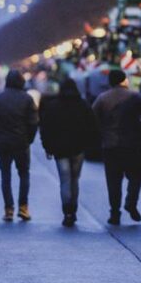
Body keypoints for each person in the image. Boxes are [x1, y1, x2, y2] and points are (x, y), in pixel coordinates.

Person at [92, 69, 141, 225]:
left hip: (110, 146)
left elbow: (92, 119)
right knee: (135, 177)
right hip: (132, 144)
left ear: (110, 82)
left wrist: (102, 134)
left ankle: (115, 213)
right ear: (124, 80)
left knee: (113, 181)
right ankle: (131, 203)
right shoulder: (135, 97)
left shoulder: (102, 99)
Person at [39, 78, 97, 226]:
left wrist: (47, 147)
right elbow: (93, 125)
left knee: (65, 180)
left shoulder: (53, 106)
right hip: (78, 148)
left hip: (60, 150)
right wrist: (88, 143)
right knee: (74, 180)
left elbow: (46, 128)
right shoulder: (83, 105)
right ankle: (74, 210)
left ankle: (67, 212)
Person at [0, 70, 39, 221]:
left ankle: (8, 209)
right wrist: (29, 139)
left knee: (5, 176)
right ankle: (23, 207)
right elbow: (33, 122)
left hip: (2, 142)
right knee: (24, 174)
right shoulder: (27, 99)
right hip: (21, 143)